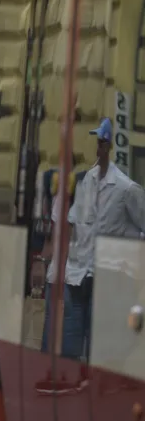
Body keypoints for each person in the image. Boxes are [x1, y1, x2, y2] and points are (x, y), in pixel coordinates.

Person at [37, 117, 145, 391]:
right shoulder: (83, 183)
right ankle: (67, 379)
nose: (96, 148)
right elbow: (72, 226)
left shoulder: (126, 189)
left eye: (101, 142)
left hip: (108, 275)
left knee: (104, 339)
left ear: (108, 146)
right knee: (72, 333)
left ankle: (106, 385)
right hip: (78, 272)